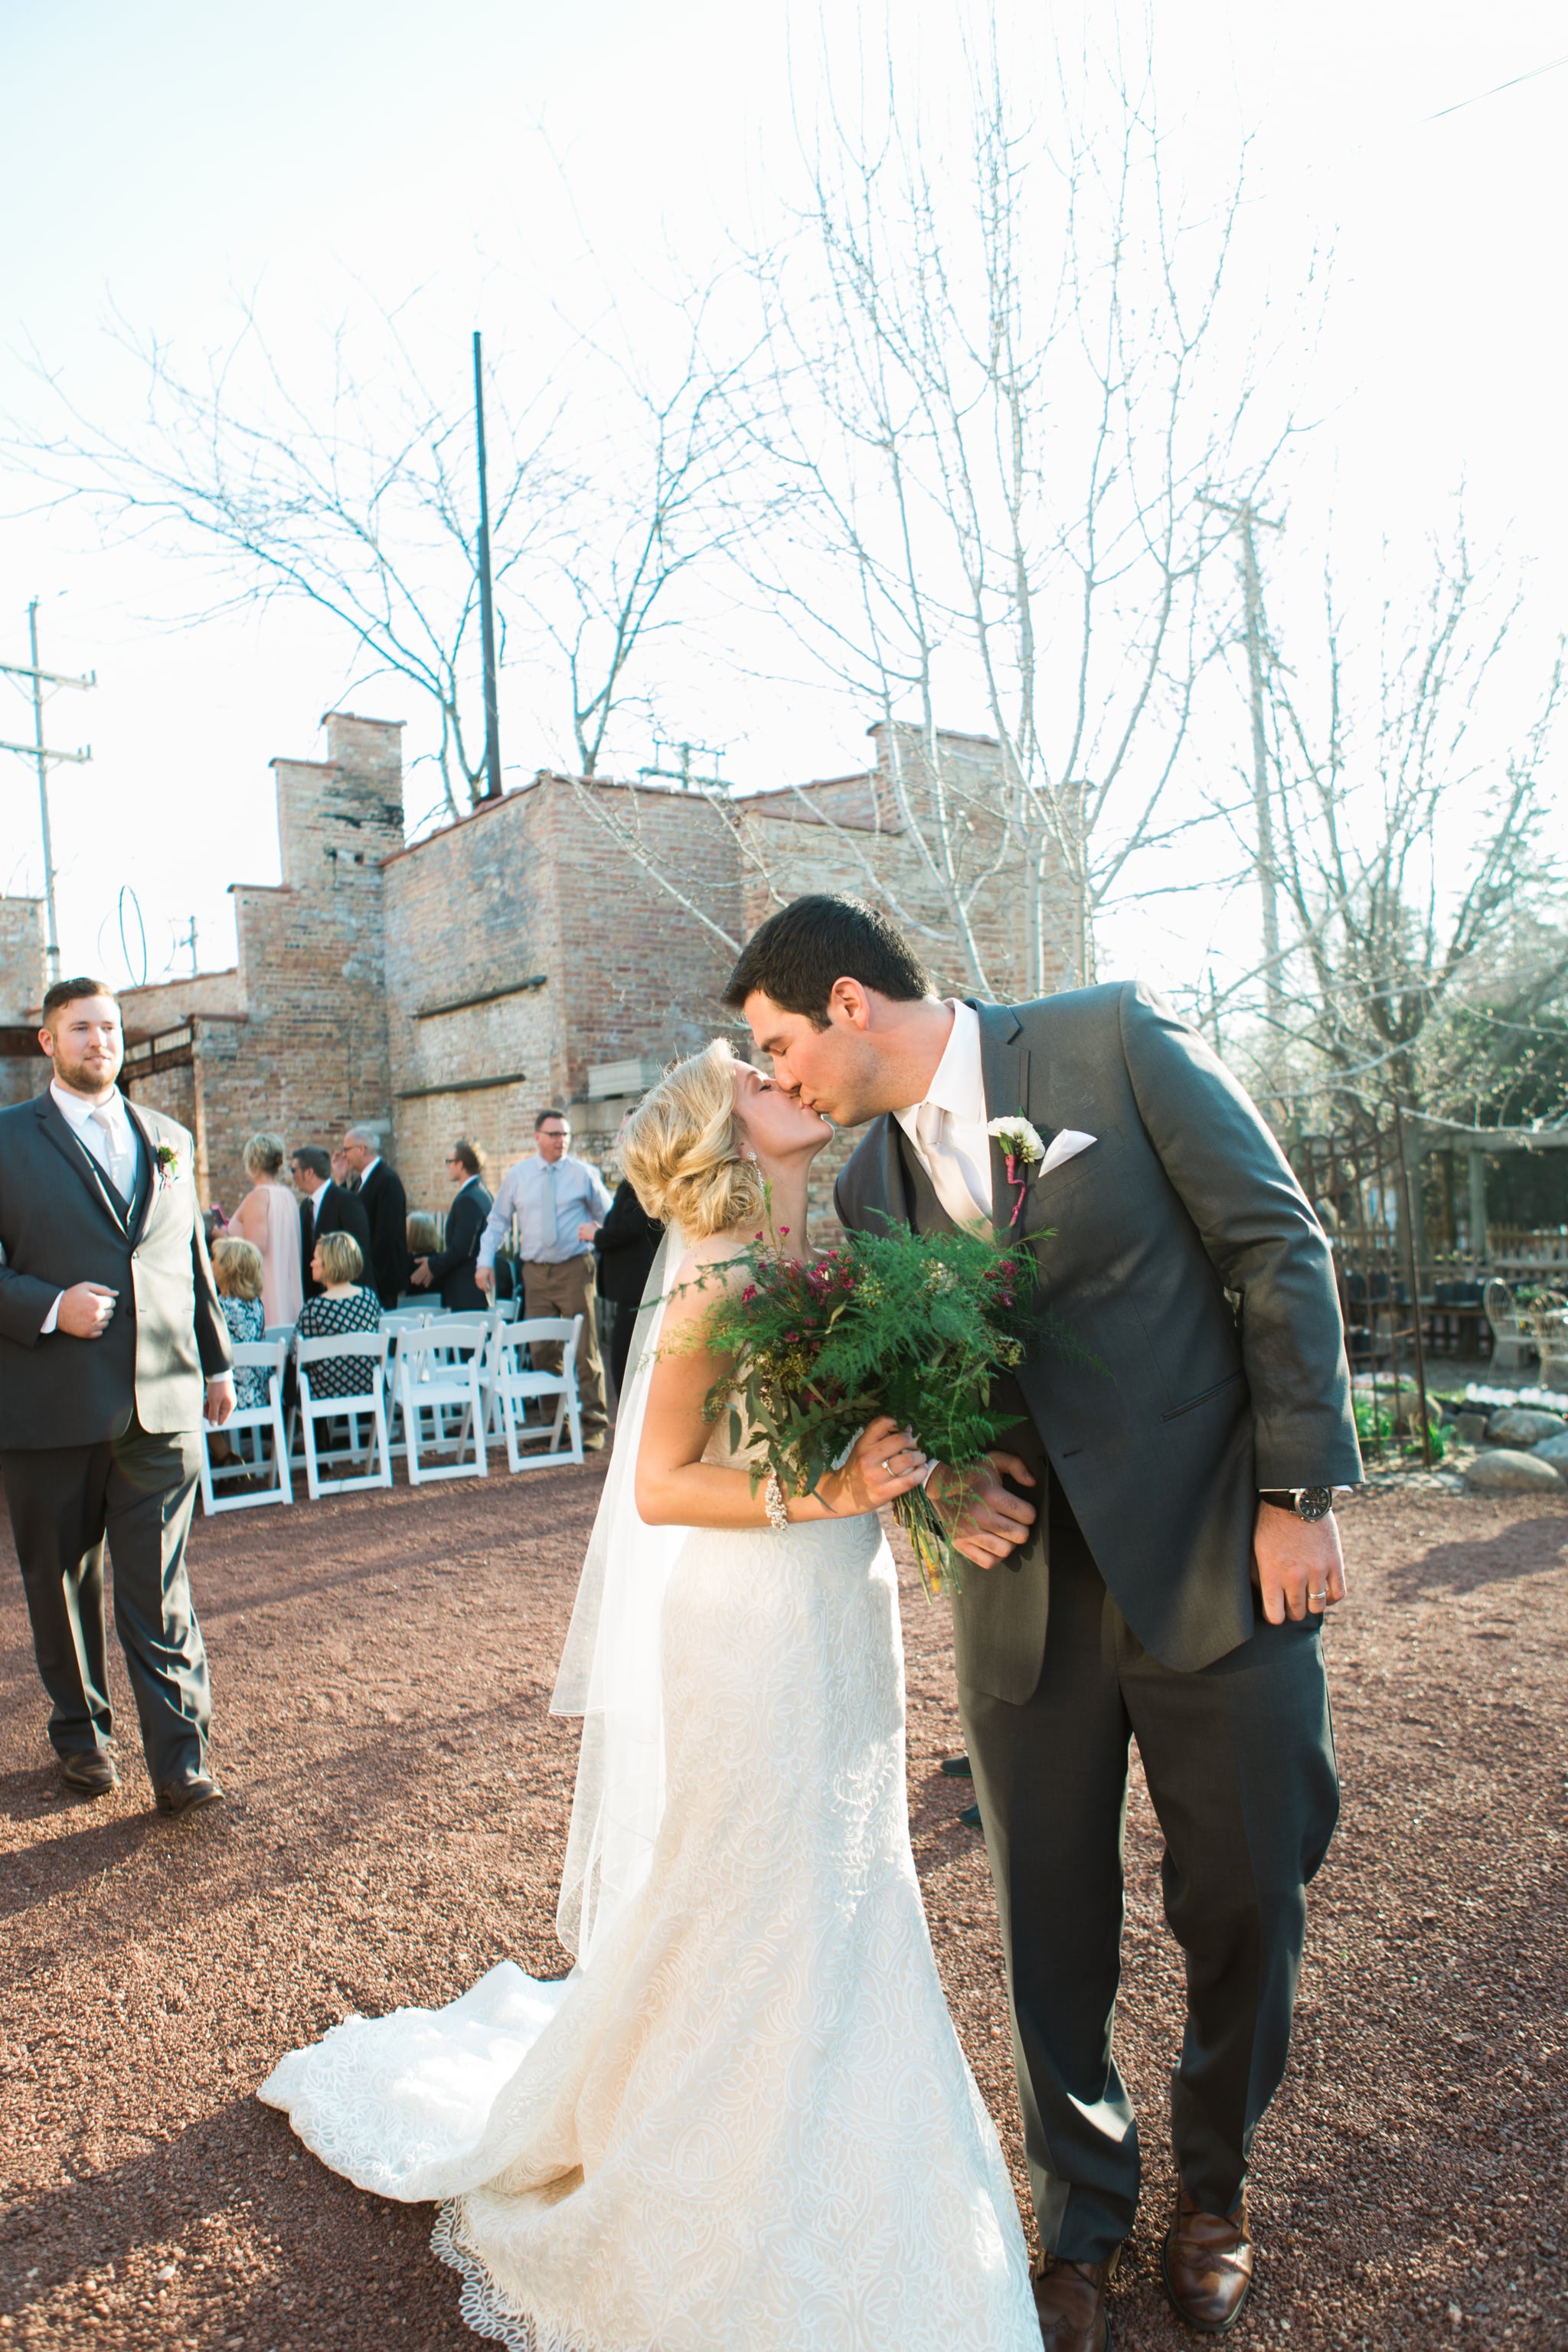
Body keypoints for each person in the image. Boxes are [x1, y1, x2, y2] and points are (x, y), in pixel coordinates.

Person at [260, 1037, 1039, 2351]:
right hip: (750, 1621)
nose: (786, 1077)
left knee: (849, 1877)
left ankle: (850, 2141)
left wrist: (915, 1467)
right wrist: (830, 1488)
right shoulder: (714, 1277)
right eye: (755, 1077)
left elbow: (859, 1426)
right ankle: (721, 2165)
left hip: (842, 1607)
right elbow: (662, 1482)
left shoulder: (825, 1258)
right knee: (750, 1885)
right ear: (722, 1134)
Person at [725, 894, 1361, 2350]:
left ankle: (1214, 2193)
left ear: (846, 1003)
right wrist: (945, 1486)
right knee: (1046, 1927)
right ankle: (1077, 2223)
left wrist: (1297, 1493)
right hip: (1023, 1606)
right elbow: (906, 1393)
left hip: (1216, 1556)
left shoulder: (1108, 1042)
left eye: (778, 1044)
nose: (778, 1078)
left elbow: (1277, 1246)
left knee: (1249, 1894)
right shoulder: (864, 1190)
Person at [0, 977, 234, 1815]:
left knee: (160, 1589)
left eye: (110, 1026)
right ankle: (82, 1739)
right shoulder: (5, 1139)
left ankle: (181, 1762)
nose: (100, 1040)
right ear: (48, 1042)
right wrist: (48, 1307)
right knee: (61, 1586)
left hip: (159, 1404)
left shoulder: (168, 1137)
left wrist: (216, 1362)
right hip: (50, 1407)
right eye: (81, 1028)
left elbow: (188, 1257)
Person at [475, 1109, 612, 1450]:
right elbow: (497, 1222)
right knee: (542, 1349)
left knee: (585, 1348)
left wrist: (597, 1231)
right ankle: (556, 1424)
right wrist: (484, 1261)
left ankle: (594, 1424)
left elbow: (609, 1217)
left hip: (575, 1268)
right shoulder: (518, 1176)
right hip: (535, 1273)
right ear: (537, 1137)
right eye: (553, 1134)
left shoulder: (583, 1174)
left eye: (565, 1134)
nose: (561, 1141)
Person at [594, 1162, 663, 1403]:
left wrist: (597, 1236)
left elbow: (631, 1228)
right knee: (626, 1357)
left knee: (624, 1359)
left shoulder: (642, 1178)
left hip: (638, 1287)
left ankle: (630, 1413)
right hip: (635, 1288)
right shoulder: (638, 1177)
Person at [225, 1132, 304, 1328]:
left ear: (253, 1164)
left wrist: (224, 1236)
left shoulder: (259, 1197)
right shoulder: (287, 1195)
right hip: (288, 1288)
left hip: (268, 1291)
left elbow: (255, 1248)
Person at [411, 1139, 493, 1312]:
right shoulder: (484, 1194)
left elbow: (462, 1248)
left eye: (449, 1162)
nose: (447, 1166)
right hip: (475, 1291)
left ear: (460, 1164)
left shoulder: (468, 1199)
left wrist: (433, 1265)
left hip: (467, 1293)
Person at [296, 1232, 382, 1395]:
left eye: (316, 1259)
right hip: (367, 1387)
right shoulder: (369, 1298)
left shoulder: (314, 1308)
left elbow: (297, 1355)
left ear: (329, 1263)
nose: (311, 1264)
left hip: (325, 1392)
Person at [340, 1125, 410, 1308]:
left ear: (362, 1149)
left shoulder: (387, 1180)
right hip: (366, 1276)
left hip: (381, 1279)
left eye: (346, 1149)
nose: (344, 1155)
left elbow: (386, 1233)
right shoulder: (360, 1181)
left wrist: (365, 1270)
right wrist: (341, 1180)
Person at [292, 1145, 372, 1302]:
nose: (292, 1176)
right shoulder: (305, 1207)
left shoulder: (346, 1201)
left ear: (309, 1173)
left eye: (294, 1170)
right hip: (316, 1298)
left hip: (348, 1298)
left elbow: (359, 1250)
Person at [211, 1238, 267, 1410]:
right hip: (258, 1395)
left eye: (214, 1260)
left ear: (226, 1269)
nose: (210, 1264)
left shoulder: (219, 1309)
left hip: (226, 1397)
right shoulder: (256, 1306)